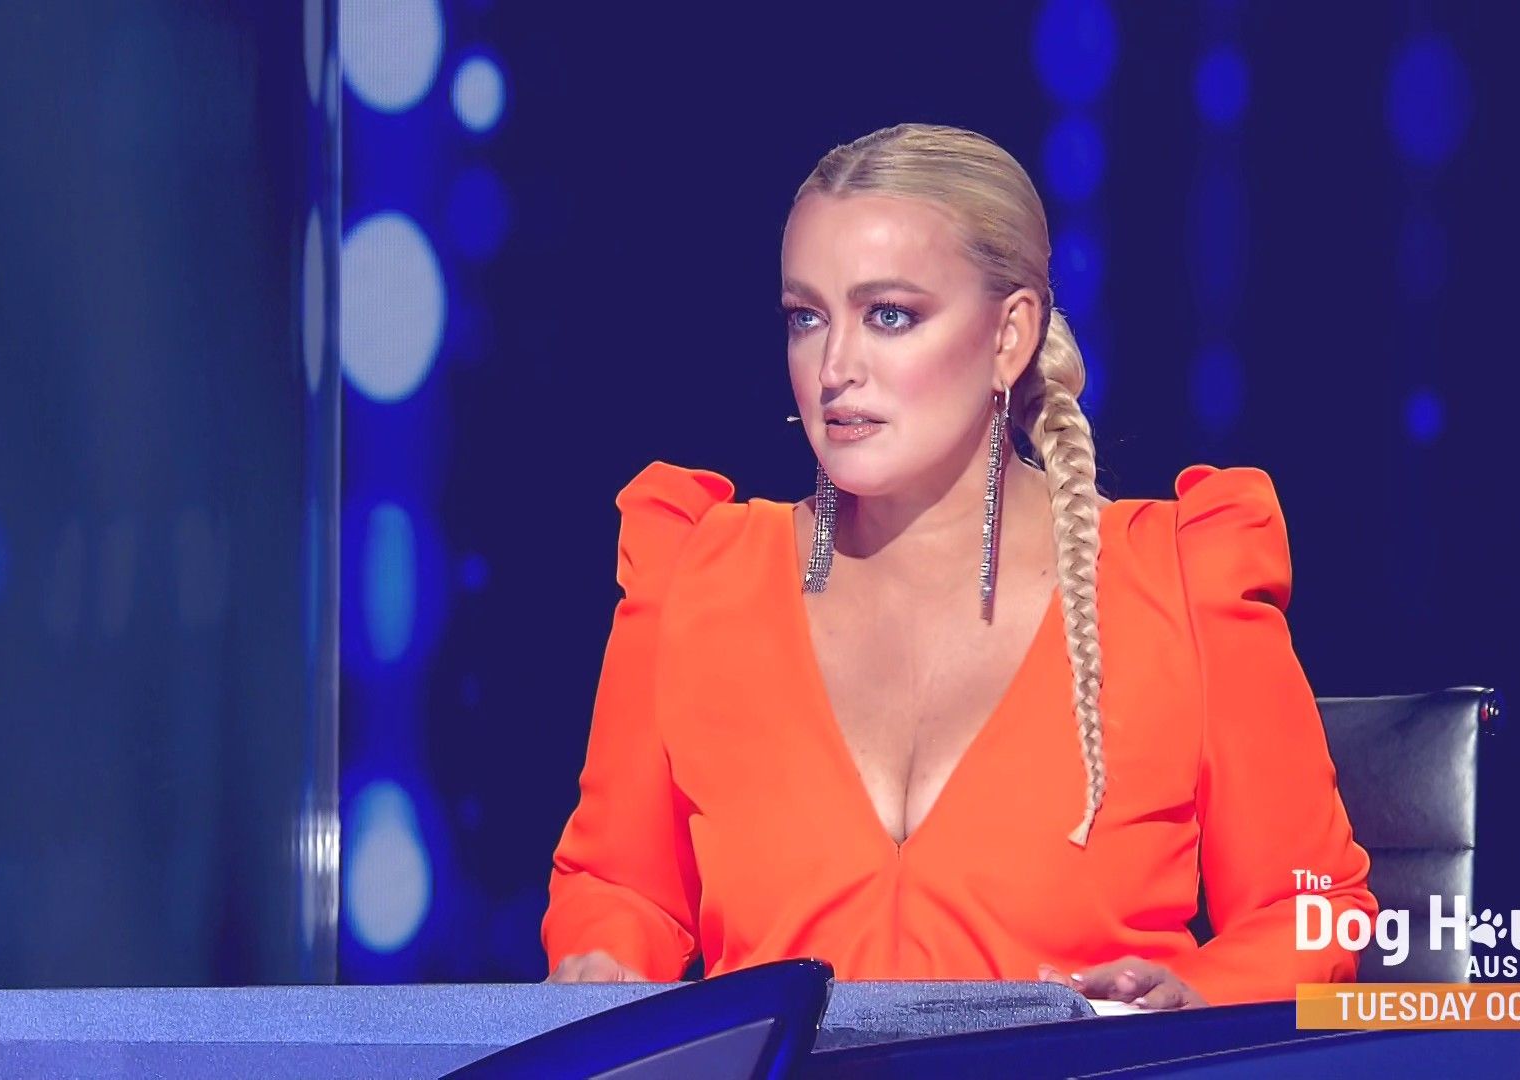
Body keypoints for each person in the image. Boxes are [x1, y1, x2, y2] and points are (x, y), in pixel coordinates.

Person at [541, 123, 1375, 1009]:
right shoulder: (697, 576)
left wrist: (1190, 997)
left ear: (1011, 335)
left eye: (889, 315)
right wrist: (605, 961)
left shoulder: (1178, 581)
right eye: (807, 318)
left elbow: (1312, 913)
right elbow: (619, 889)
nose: (834, 368)